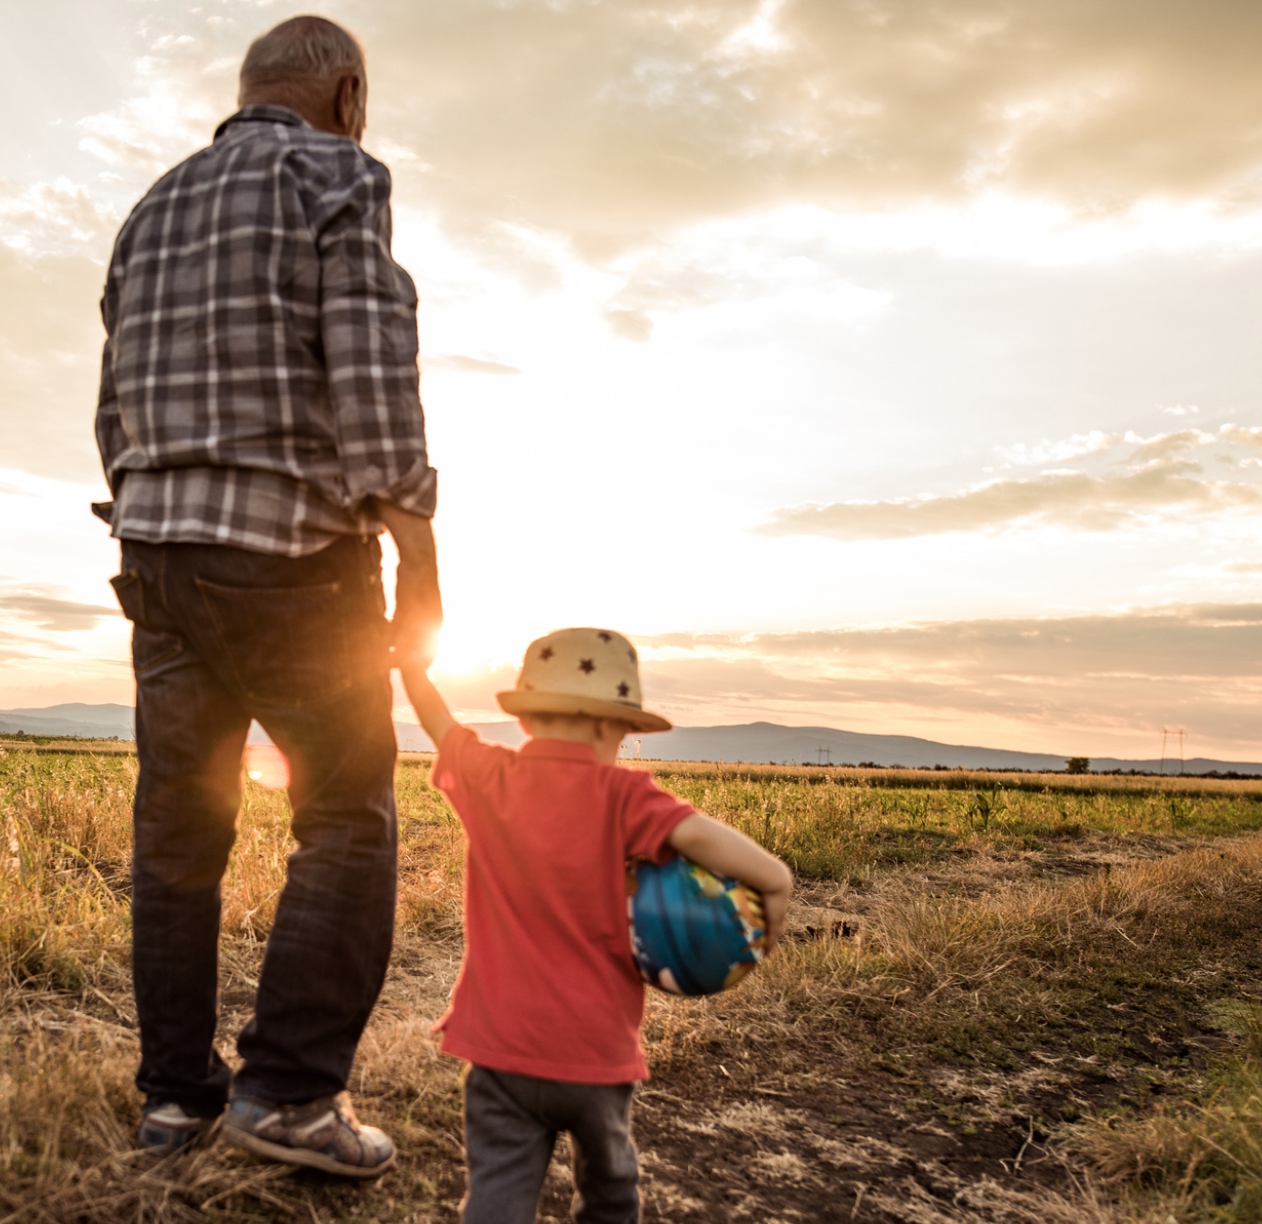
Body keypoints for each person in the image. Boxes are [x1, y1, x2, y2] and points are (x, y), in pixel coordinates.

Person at [92, 14, 438, 1179]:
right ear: (344, 95)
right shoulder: (337, 173)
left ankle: (175, 1103)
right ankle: (288, 1094)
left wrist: (149, 518)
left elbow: (111, 402)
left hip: (158, 560)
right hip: (289, 562)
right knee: (346, 814)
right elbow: (373, 362)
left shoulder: (153, 206)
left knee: (177, 835)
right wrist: (417, 551)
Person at [396, 628, 794, 1223]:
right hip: (596, 1050)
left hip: (499, 1048)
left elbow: (438, 722)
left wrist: (412, 667)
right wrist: (772, 904)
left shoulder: (489, 777)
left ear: (528, 719)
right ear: (613, 727)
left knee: (497, 1192)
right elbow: (757, 868)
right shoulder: (627, 797)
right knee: (610, 1190)